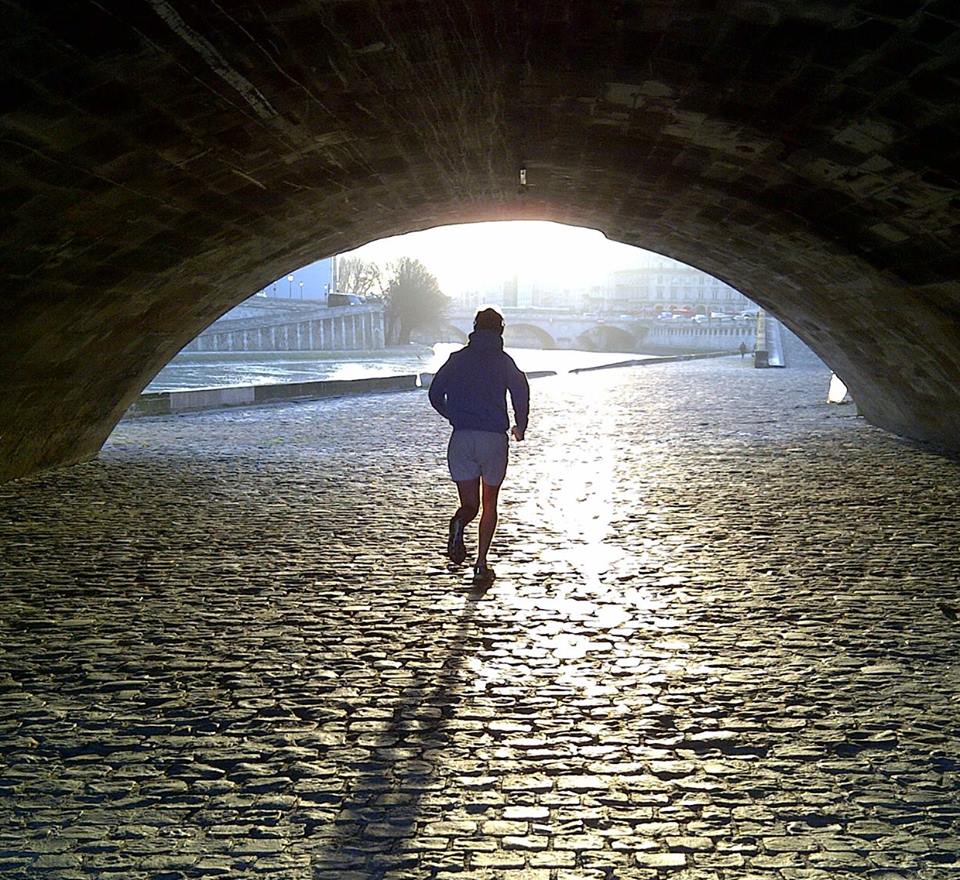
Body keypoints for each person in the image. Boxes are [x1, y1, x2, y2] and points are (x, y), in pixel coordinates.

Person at [428, 308, 529, 584]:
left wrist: (453, 414)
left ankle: (460, 522)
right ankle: (481, 564)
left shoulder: (457, 359)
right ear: (500, 330)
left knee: (470, 505)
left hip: (462, 437)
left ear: (474, 328)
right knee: (489, 504)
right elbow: (521, 391)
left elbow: (435, 393)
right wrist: (520, 425)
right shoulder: (504, 361)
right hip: (493, 439)